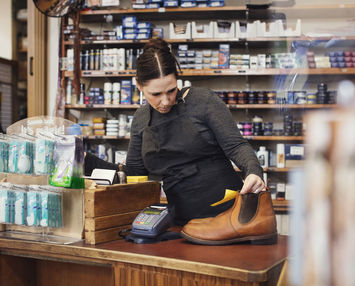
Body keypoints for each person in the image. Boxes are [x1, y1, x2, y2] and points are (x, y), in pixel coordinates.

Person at [85, 39, 266, 226]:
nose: (165, 101)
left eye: (171, 91)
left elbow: (236, 146)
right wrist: (84, 161)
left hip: (229, 214)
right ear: (138, 85)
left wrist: (253, 171)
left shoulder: (203, 101)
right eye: (156, 94)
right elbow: (133, 174)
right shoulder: (141, 119)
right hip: (181, 221)